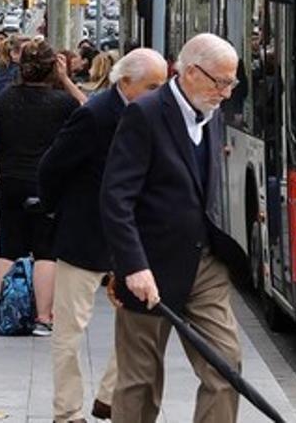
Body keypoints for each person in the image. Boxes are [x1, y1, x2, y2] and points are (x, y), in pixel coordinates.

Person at [100, 33, 246, 423]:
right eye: (221, 82)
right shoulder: (145, 114)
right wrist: (133, 266)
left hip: (204, 264)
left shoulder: (210, 112)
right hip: (152, 267)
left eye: (232, 82)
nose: (227, 92)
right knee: (140, 381)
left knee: (225, 367)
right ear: (191, 72)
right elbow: (116, 197)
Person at [40, 48, 168, 423]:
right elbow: (52, 165)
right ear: (125, 82)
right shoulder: (94, 115)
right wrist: (55, 211)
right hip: (85, 235)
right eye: (153, 86)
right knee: (70, 329)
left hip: (129, 239)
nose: (159, 93)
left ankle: (109, 396)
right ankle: (67, 412)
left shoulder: (153, 116)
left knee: (137, 324)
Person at [0, 40, 80, 337]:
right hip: (47, 182)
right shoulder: (62, 102)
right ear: (53, 67)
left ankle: (8, 312)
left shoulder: (4, 98)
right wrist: (66, 80)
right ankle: (43, 317)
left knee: (8, 247)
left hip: (10, 180)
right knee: (45, 251)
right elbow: (91, 111)